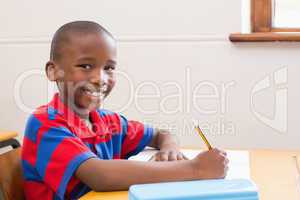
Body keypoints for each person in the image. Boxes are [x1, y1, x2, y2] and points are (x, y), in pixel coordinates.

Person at [21, 21, 229, 200]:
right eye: (85, 66)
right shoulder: (44, 123)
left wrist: (170, 148)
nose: (99, 78)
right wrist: (196, 169)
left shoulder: (107, 121)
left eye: (109, 68)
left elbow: (160, 134)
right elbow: (100, 176)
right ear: (53, 71)